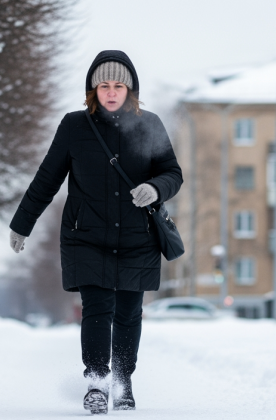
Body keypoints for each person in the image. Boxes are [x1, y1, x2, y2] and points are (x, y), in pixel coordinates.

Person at [9, 50, 182, 414]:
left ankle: (123, 380)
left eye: (118, 85)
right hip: (86, 236)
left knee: (129, 312)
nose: (111, 91)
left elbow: (172, 172)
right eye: (104, 85)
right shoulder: (74, 126)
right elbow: (47, 179)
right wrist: (21, 224)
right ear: (93, 89)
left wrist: (155, 188)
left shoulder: (149, 125)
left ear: (130, 89)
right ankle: (97, 382)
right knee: (97, 308)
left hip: (138, 237)